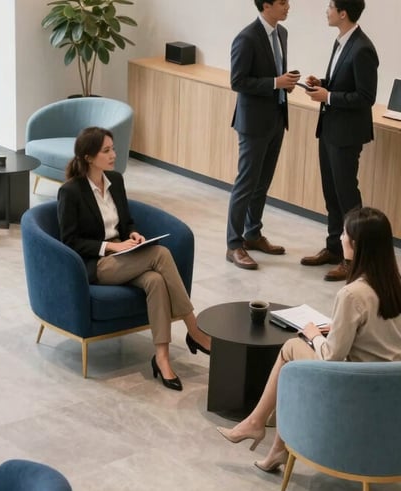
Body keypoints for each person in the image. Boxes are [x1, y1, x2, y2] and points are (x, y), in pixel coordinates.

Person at [217, 207, 401, 473]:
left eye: (344, 235)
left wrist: (314, 335)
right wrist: (336, 328)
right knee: (296, 357)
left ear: (356, 245)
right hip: (389, 387)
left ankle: (256, 423)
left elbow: (331, 357)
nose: (340, 239)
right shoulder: (393, 283)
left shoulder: (352, 294)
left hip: (356, 387)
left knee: (292, 348)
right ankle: (274, 449)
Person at [57, 127, 211, 391]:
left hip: (125, 256)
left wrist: (134, 234)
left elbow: (126, 222)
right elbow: (69, 241)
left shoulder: (115, 180)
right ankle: (194, 330)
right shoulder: (71, 192)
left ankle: (162, 358)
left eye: (113, 148)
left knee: (155, 281)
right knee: (161, 254)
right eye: (106, 150)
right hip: (98, 264)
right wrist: (112, 247)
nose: (113, 154)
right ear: (89, 157)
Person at [300, 0, 378, 282]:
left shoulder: (363, 48)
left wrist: (328, 97)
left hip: (346, 134)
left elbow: (366, 97)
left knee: (347, 196)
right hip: (330, 129)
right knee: (331, 193)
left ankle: (354, 259)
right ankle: (334, 247)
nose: (327, 10)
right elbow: (343, 82)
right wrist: (321, 84)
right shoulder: (342, 41)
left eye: (330, 6)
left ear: (343, 13)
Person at [225, 0, 300, 271]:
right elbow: (238, 81)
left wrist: (285, 84)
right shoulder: (246, 38)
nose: (288, 6)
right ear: (266, 5)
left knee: (262, 182)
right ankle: (234, 245)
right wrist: (274, 83)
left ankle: (253, 234)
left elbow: (274, 74)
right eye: (282, 2)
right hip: (253, 123)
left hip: (277, 118)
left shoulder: (282, 34)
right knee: (246, 183)